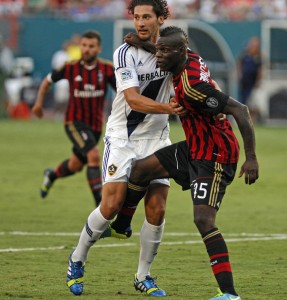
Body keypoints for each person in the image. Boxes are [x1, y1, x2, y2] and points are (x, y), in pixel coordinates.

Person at [117, 26, 259, 300]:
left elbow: (240, 110)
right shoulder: (184, 56)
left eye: (163, 50)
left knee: (203, 220)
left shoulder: (195, 86)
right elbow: (166, 50)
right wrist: (141, 44)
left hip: (215, 155)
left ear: (180, 52)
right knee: (141, 169)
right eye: (157, 49)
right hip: (194, 147)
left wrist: (251, 158)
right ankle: (122, 225)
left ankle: (229, 293)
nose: (158, 55)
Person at [65, 0, 186, 297]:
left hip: (156, 138)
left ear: (161, 18)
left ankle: (143, 276)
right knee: (110, 206)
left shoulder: (172, 49)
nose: (141, 22)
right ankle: (77, 259)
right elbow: (132, 99)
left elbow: (191, 66)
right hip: (122, 137)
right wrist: (169, 108)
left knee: (157, 209)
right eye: (136, 17)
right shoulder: (124, 52)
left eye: (147, 17)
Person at [32, 30, 116, 207]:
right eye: (84, 45)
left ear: (98, 49)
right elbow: (47, 81)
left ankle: (51, 175)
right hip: (74, 122)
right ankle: (100, 209)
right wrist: (38, 104)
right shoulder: (70, 67)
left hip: (95, 126)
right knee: (93, 156)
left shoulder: (107, 69)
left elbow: (124, 92)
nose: (86, 49)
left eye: (91, 46)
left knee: (76, 164)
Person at [237, 36, 262, 106]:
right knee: (243, 97)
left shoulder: (258, 57)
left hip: (252, 81)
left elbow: (260, 70)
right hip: (244, 80)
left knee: (251, 98)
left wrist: (258, 80)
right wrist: (239, 74)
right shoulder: (245, 54)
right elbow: (239, 63)